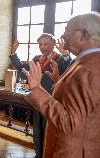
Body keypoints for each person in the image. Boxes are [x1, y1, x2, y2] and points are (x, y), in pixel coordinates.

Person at [23, 12, 100, 158]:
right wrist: (59, 79)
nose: (63, 36)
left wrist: (36, 89)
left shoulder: (89, 69)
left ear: (83, 35)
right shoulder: (85, 61)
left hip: (72, 151)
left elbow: (70, 123)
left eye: (67, 30)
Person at [9, 33, 71, 158]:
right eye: (41, 44)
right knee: (37, 128)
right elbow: (22, 68)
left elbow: (67, 69)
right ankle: (38, 153)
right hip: (38, 99)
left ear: (53, 45)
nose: (43, 47)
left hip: (52, 100)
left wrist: (65, 54)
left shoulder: (60, 58)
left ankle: (48, 154)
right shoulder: (37, 58)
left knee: (49, 129)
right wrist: (14, 52)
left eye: (46, 44)